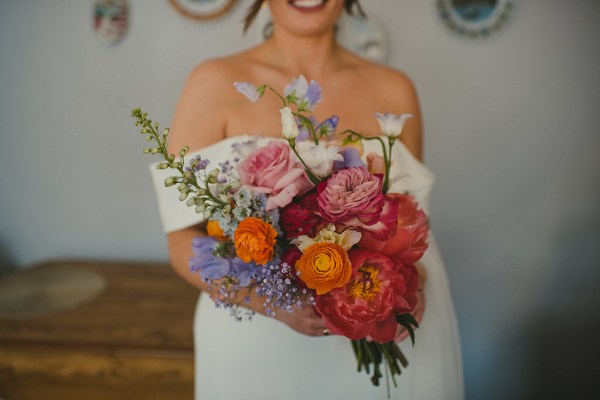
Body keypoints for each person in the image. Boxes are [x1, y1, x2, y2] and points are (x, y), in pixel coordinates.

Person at [152, 1, 464, 398]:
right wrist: (270, 303)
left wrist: (406, 286)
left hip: (388, 334)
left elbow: (411, 225)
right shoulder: (211, 83)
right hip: (259, 350)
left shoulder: (395, 89)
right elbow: (182, 241)